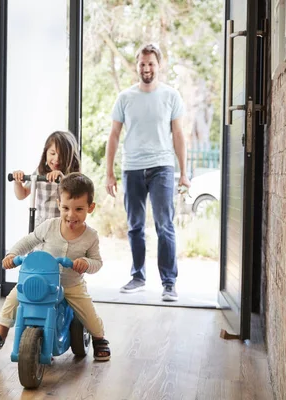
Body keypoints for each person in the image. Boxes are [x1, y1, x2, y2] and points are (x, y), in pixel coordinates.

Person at [0, 173, 111, 361]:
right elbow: (29, 241)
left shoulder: (90, 236)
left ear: (90, 208)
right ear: (59, 204)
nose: (71, 215)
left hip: (71, 285)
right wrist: (12, 255)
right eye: (66, 208)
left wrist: (86, 263)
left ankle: (99, 339)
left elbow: (97, 262)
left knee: (88, 313)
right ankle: (1, 334)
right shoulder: (49, 226)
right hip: (42, 280)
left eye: (79, 209)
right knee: (14, 298)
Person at [105, 43, 190, 302]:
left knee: (165, 225)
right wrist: (109, 172)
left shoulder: (171, 96)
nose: (146, 68)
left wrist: (184, 172)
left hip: (162, 167)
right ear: (137, 65)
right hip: (131, 168)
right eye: (142, 64)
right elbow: (114, 135)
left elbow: (178, 135)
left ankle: (169, 282)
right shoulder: (125, 98)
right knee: (135, 226)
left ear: (159, 65)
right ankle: (138, 277)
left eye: (151, 63)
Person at [11, 130, 81, 228]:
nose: (57, 159)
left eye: (62, 156)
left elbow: (76, 198)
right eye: (52, 153)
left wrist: (62, 178)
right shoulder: (40, 172)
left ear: (70, 157)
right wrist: (17, 182)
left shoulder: (72, 177)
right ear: (45, 153)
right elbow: (22, 194)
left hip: (61, 227)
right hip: (41, 226)